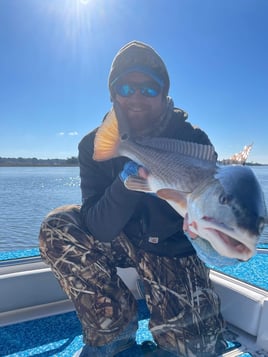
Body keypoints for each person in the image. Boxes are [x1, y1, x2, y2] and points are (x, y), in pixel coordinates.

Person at [39, 41, 228, 356]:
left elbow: (212, 209)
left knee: (198, 350)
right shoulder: (95, 144)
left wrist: (216, 234)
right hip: (119, 238)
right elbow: (98, 227)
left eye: (149, 89)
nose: (137, 97)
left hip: (172, 248)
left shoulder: (193, 140)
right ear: (114, 95)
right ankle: (114, 335)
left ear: (164, 94)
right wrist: (126, 182)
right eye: (126, 88)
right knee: (59, 226)